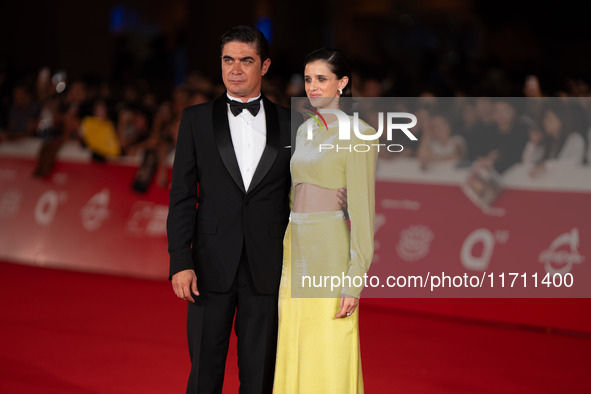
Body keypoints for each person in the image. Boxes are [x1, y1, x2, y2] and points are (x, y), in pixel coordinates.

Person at [166, 26, 293, 394]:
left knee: (260, 377)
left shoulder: (292, 123)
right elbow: (182, 195)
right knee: (204, 373)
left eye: (246, 60)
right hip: (208, 267)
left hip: (268, 268)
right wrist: (180, 260)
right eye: (228, 60)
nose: (235, 69)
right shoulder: (195, 120)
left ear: (264, 65)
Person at [273, 48, 378, 393]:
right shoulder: (304, 130)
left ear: (342, 83)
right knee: (294, 336)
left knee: (329, 342)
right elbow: (292, 193)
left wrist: (355, 278)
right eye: (308, 79)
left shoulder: (360, 134)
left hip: (329, 247)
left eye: (322, 79)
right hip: (295, 244)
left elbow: (362, 210)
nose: (313, 87)